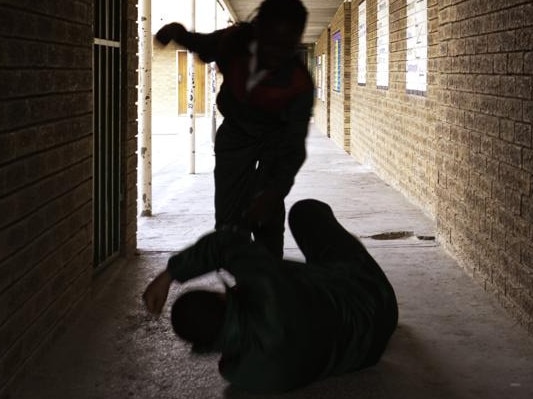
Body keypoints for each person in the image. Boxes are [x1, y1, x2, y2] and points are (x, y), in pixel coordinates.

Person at [143, 199, 399, 394]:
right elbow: (225, 245)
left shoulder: (242, 374)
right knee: (306, 212)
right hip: (372, 298)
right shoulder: (266, 286)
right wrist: (167, 276)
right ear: (222, 299)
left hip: (367, 354)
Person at [155, 0, 315, 259]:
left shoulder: (298, 83)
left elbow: (294, 148)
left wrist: (273, 192)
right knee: (229, 217)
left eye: (285, 48)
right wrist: (177, 33)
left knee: (268, 214)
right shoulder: (234, 41)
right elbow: (203, 45)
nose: (275, 56)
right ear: (258, 28)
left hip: (275, 137)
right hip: (237, 132)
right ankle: (234, 264)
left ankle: (268, 272)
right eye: (271, 43)